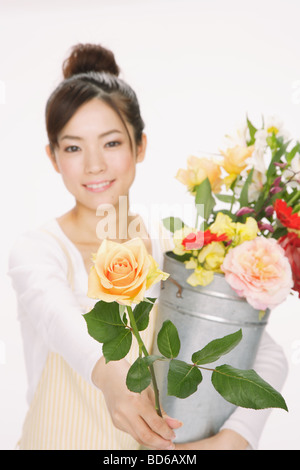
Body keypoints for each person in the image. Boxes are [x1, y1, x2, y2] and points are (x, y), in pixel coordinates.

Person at [8, 43, 287, 450]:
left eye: (111, 143)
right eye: (73, 147)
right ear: (53, 158)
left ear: (140, 146)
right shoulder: (38, 250)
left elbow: (265, 352)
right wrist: (108, 377)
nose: (94, 165)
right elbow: (57, 318)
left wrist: (234, 439)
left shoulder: (175, 249)